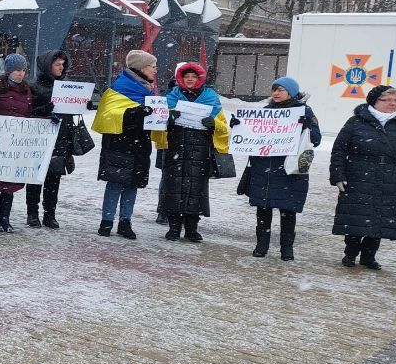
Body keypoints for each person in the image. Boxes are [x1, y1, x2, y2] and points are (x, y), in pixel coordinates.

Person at [239, 76, 321, 260]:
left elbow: (316, 140)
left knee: (288, 210)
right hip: (264, 168)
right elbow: (250, 137)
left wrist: (307, 127)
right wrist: (239, 127)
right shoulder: (265, 112)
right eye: (274, 89)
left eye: (280, 89)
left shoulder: (304, 111)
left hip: (289, 170)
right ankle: (261, 245)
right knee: (263, 209)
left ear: (291, 92)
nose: (275, 93)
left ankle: (287, 248)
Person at [156, 63, 230, 243]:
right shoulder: (171, 97)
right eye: (187, 76)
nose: (190, 79)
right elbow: (157, 124)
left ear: (200, 78)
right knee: (174, 189)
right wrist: (168, 120)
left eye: (193, 76)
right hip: (176, 149)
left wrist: (214, 125)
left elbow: (223, 127)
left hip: (200, 152)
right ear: (181, 78)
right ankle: (173, 228)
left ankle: (191, 229)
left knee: (195, 190)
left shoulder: (211, 98)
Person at [0, 53, 49, 232]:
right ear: (9, 70)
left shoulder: (26, 90)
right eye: (18, 70)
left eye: (24, 70)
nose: (21, 74)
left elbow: (28, 114)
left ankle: (5, 218)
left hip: (15, 146)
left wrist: (46, 117)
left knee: (9, 183)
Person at [330, 84, 396, 270]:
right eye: (387, 100)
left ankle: (369, 256)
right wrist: (337, 174)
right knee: (356, 217)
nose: (392, 103)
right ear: (374, 102)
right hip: (358, 175)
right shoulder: (356, 122)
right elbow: (339, 150)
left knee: (380, 218)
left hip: (389, 178)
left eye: (395, 100)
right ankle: (350, 254)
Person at [92, 49, 157, 239]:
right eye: (152, 67)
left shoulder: (146, 89)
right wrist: (134, 114)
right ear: (141, 68)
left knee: (132, 185)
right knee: (115, 183)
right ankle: (107, 221)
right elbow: (108, 115)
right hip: (119, 145)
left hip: (139, 145)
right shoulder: (119, 88)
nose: (155, 71)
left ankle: (125, 222)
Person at [27, 50, 78, 229]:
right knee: (35, 178)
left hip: (60, 139)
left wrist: (83, 104)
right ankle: (32, 213)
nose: (61, 67)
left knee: (53, 180)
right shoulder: (34, 87)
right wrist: (43, 110)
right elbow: (28, 113)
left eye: (63, 65)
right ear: (48, 66)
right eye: (57, 64)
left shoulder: (66, 86)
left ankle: (50, 214)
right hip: (38, 139)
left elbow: (71, 115)